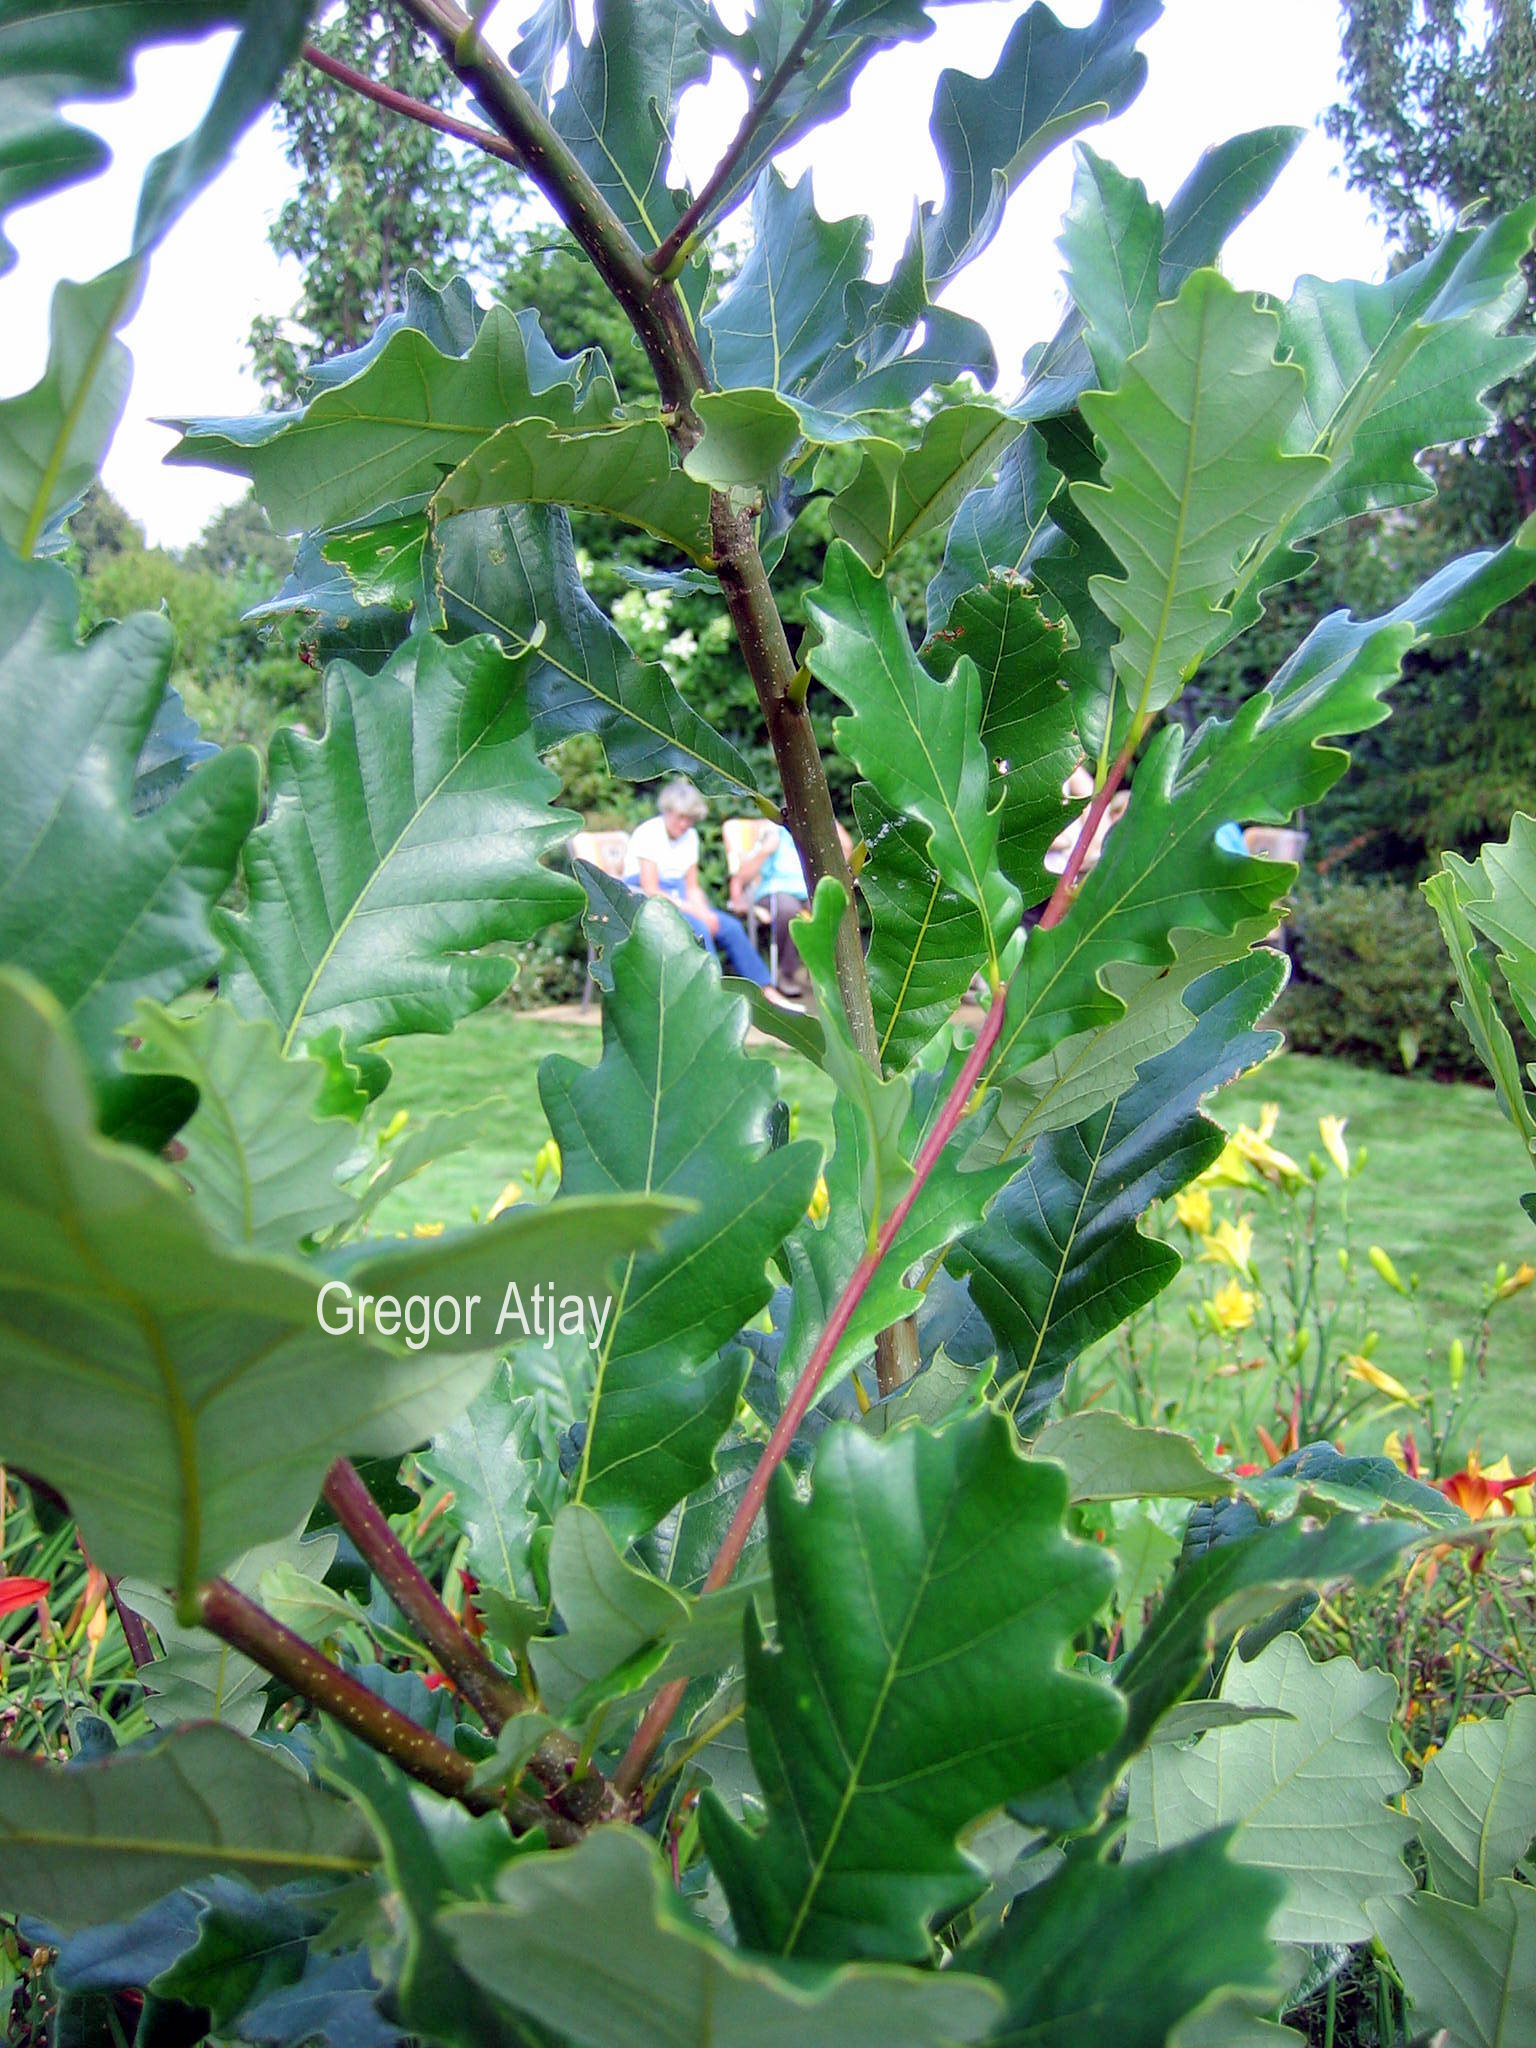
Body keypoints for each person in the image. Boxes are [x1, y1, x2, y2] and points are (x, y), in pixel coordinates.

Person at [624, 778, 774, 989]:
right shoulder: (649, 833)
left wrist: (705, 912)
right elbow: (651, 889)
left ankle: (765, 989)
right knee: (699, 928)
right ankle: (712, 993)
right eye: (680, 818)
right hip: (648, 901)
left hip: (680, 898)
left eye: (690, 819)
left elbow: (692, 887)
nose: (684, 824)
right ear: (667, 811)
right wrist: (701, 916)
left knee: (729, 927)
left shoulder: (691, 837)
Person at [729, 821, 811, 995]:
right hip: (775, 891)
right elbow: (742, 876)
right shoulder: (772, 832)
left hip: (808, 890)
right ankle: (786, 974)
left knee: (833, 908)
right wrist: (765, 850)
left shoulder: (810, 830)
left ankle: (832, 975)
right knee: (788, 910)